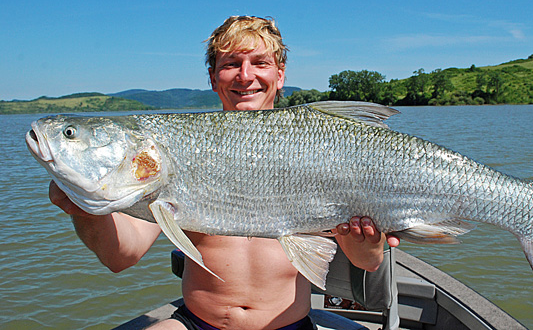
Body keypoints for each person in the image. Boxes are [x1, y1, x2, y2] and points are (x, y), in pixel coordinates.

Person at [49, 16, 399, 330]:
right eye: (231, 64)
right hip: (197, 323)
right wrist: (83, 209)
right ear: (214, 77)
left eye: (259, 63)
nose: (245, 76)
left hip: (290, 325)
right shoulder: (173, 151)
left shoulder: (320, 150)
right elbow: (119, 256)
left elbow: (365, 262)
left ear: (280, 75)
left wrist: (365, 241)